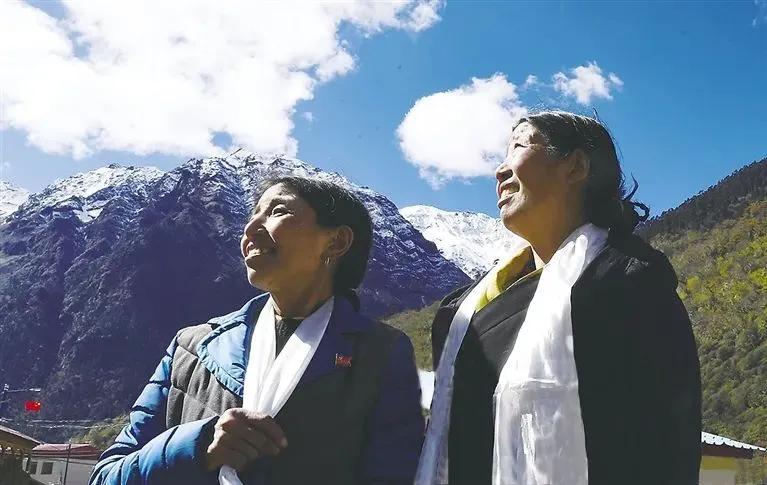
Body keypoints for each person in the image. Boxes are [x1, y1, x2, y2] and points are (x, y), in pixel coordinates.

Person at [418, 111, 701, 485]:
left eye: (519, 146)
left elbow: (668, 444)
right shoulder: (461, 310)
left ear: (576, 167)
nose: (500, 170)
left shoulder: (627, 285)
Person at [91, 176, 424, 485]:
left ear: (336, 242)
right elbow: (106, 476)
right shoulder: (189, 347)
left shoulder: (381, 355)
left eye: (278, 211)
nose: (250, 228)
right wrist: (197, 447)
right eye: (253, 215)